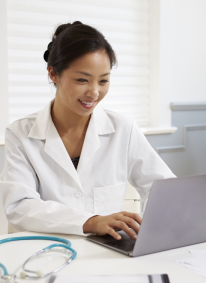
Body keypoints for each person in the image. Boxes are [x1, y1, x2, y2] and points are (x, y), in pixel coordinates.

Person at [0, 21, 175, 240]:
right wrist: (89, 222)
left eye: (103, 81)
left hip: (107, 254)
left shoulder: (123, 129)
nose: (94, 92)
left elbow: (163, 188)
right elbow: (19, 206)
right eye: (82, 80)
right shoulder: (20, 134)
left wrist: (150, 229)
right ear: (53, 74)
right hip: (48, 252)